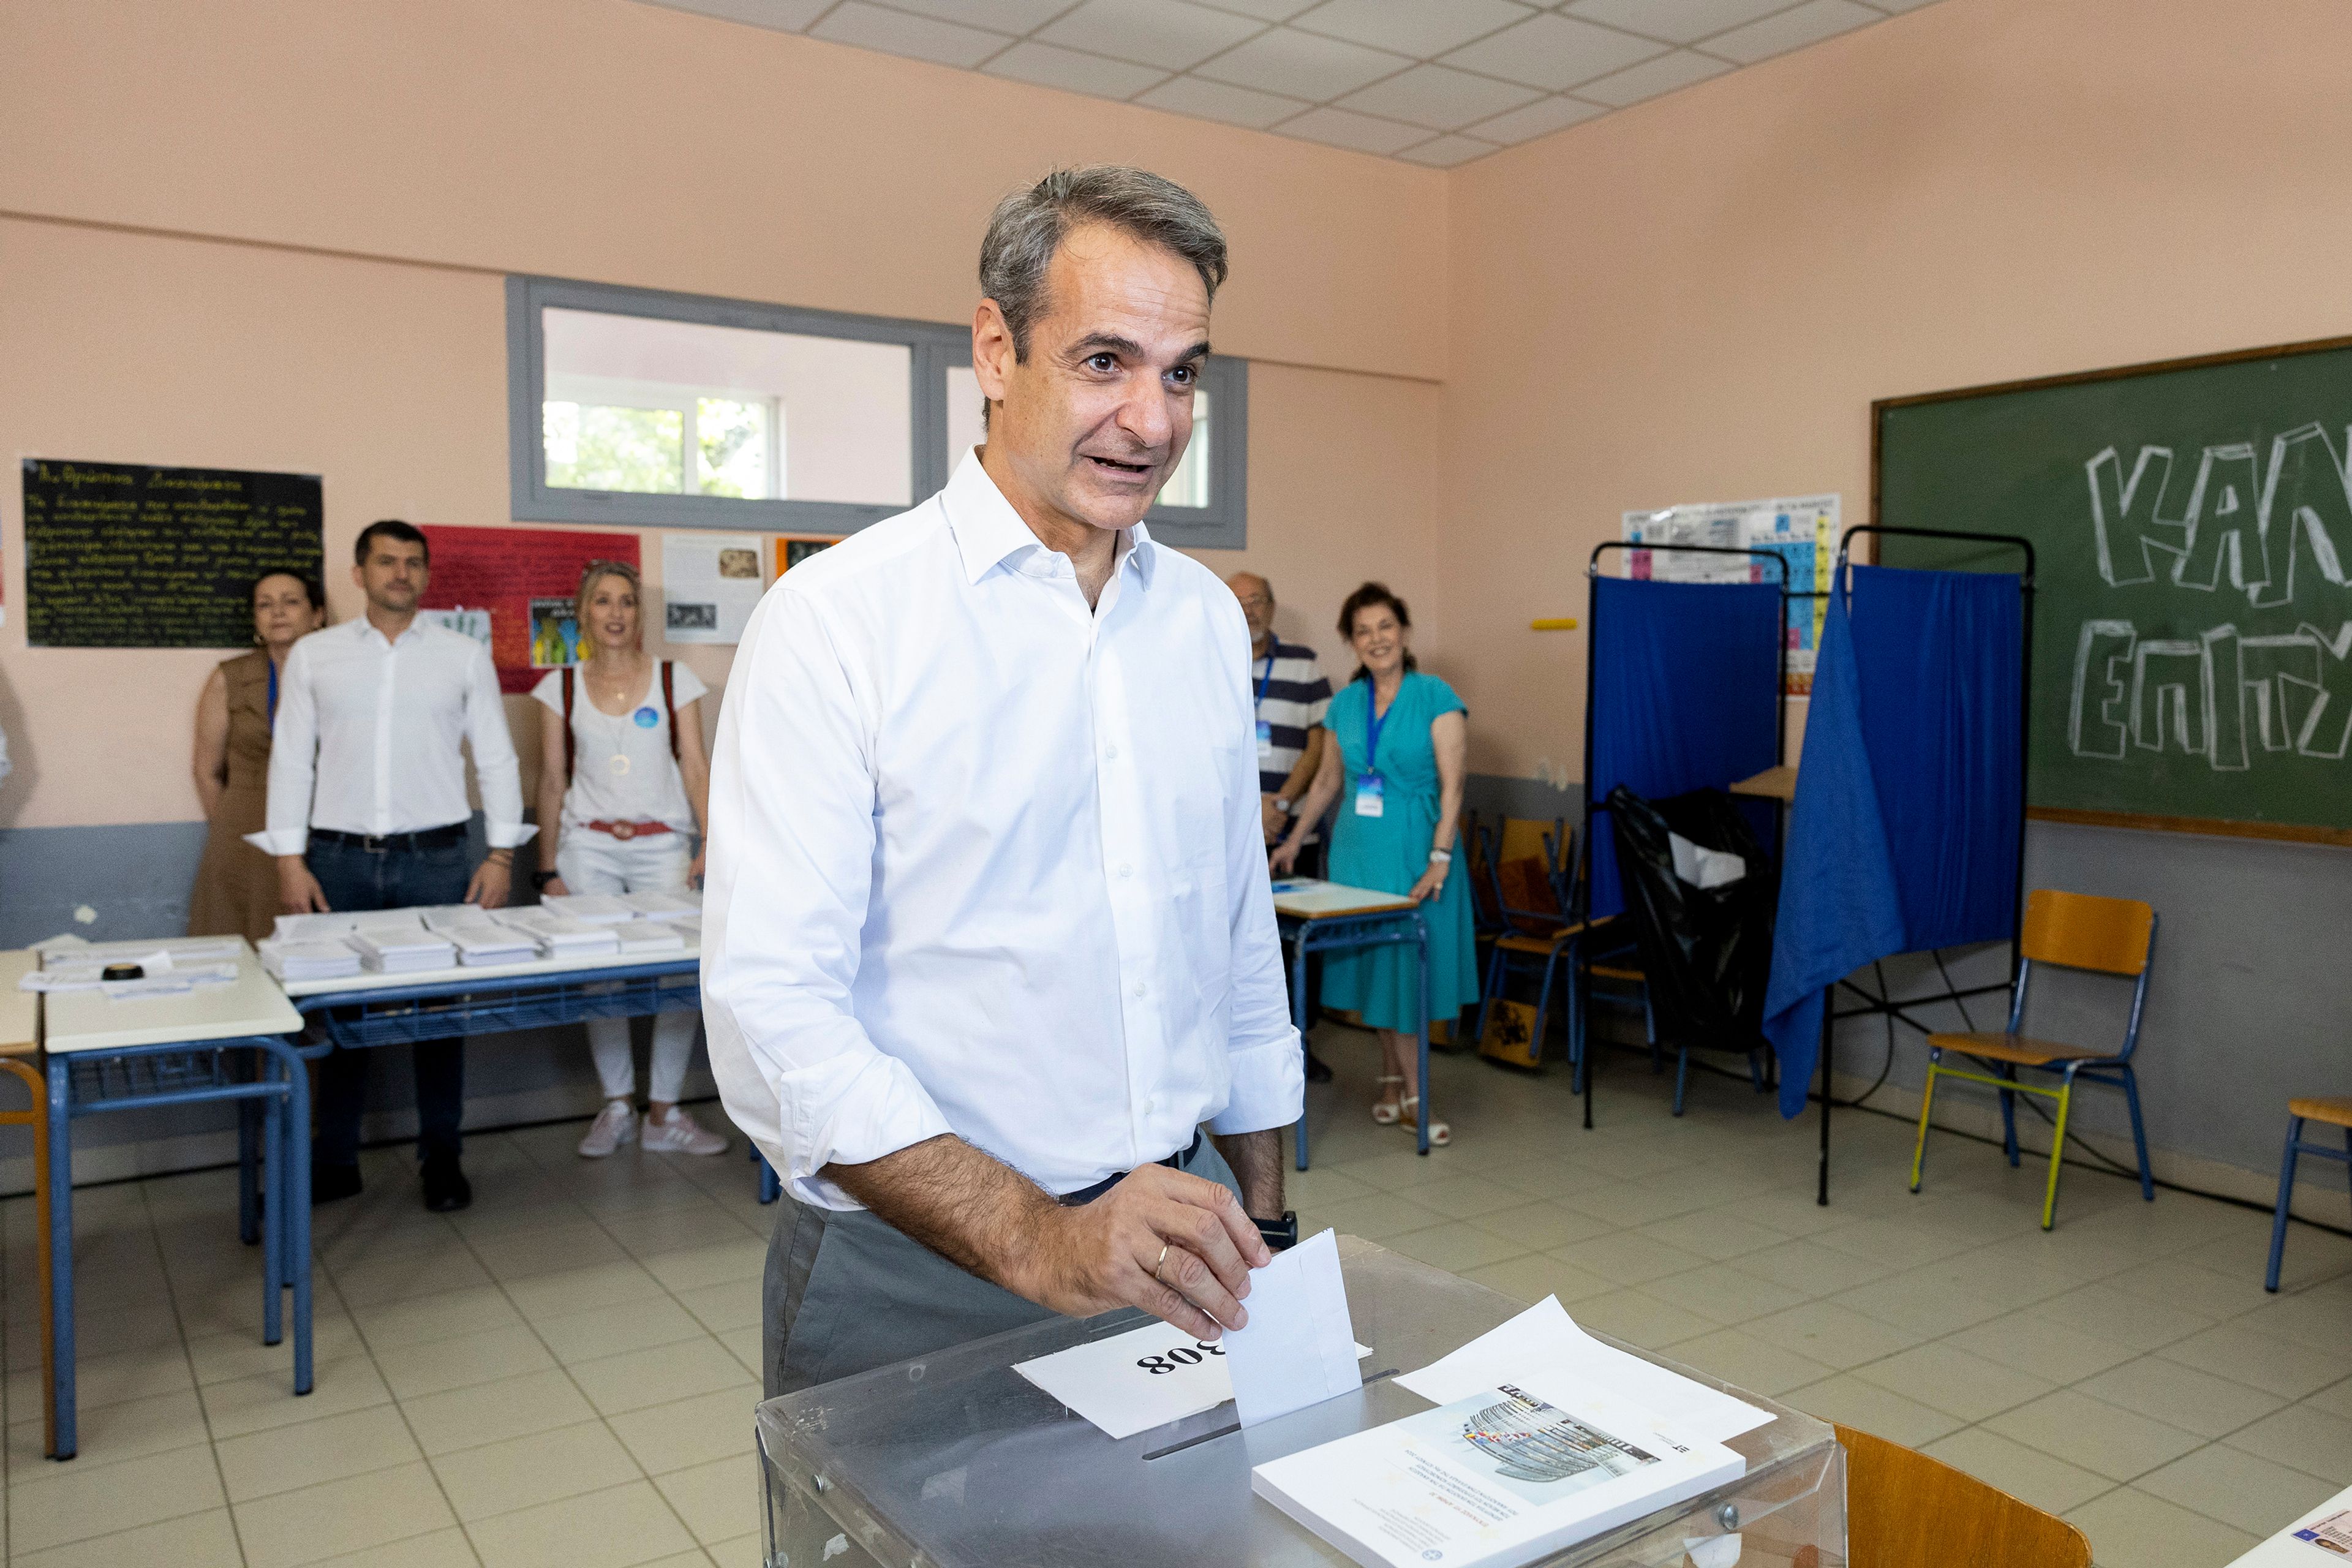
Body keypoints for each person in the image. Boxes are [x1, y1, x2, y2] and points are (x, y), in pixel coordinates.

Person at [706, 165, 1300, 1398]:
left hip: (1178, 1237)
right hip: (917, 1266)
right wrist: (1041, 1235)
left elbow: (1236, 940)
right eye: (1103, 362)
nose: (1152, 420)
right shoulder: (839, 621)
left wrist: (1269, 1215)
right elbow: (774, 1009)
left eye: (1181, 371)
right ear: (994, 347)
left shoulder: (1195, 620)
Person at [259, 519, 535, 1212]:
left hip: (438, 859)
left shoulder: (461, 655)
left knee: (438, 1018)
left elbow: (496, 757)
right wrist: (289, 860)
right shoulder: (316, 656)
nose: (401, 573)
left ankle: (442, 1157)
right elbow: (291, 759)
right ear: (359, 574)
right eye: (387, 561)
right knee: (337, 1018)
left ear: (425, 574)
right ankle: (336, 1158)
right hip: (338, 859)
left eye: (414, 562)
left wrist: (501, 853)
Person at [531, 560, 728, 1159]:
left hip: (662, 845)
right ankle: (617, 1104)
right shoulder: (557, 686)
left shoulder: (675, 680)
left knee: (676, 976)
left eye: (626, 602)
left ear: (639, 614)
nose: (615, 613)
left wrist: (708, 844)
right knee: (603, 975)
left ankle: (665, 1113)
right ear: (584, 613)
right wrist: (547, 868)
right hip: (587, 847)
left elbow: (697, 767)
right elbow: (551, 778)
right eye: (602, 602)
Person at [1272, 582, 1476, 1145]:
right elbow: (1328, 781)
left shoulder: (1436, 696)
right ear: (1352, 642)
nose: (1376, 639)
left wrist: (1441, 857)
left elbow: (1455, 786)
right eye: (1363, 631)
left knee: (1407, 975)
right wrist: (1295, 840)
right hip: (1357, 854)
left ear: (1404, 633)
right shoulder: (1345, 704)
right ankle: (1393, 1083)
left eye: (1385, 626)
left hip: (1416, 851)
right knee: (1381, 974)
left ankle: (1416, 1095)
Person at [1226, 571, 1335, 1084]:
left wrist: (1283, 803)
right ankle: (1234, 1054)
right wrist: (1249, 810)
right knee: (1229, 944)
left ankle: (1300, 1045)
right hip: (1227, 838)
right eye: (1239, 602)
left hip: (1292, 836)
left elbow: (1319, 744)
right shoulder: (1210, 654)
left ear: (1272, 606)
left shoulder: (1305, 665)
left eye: (1257, 601)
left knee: (1296, 944)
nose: (1249, 610)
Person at [189, 570, 326, 941]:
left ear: (318, 615)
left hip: (324, 827)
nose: (277, 612)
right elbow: (207, 772)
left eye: (291, 602)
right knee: (241, 945)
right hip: (246, 829)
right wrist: (231, 833)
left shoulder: (339, 676)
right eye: (264, 605)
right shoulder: (230, 677)